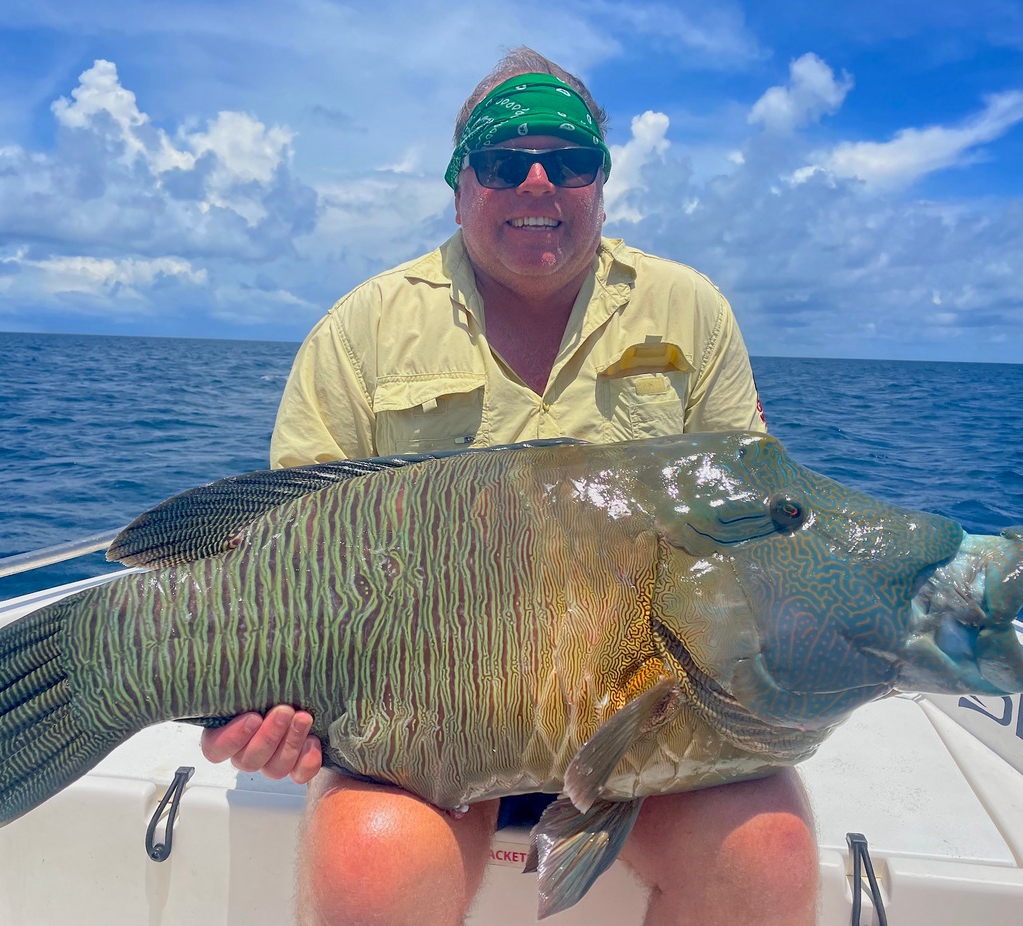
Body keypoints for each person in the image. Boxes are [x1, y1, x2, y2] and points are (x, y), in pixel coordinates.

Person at [201, 47, 818, 926]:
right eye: (503, 162)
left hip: (653, 725)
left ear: (600, 184)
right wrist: (260, 711)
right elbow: (288, 565)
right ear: (461, 185)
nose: (539, 182)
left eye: (571, 162)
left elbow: (760, 546)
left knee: (769, 852)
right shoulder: (362, 331)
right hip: (416, 725)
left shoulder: (693, 313)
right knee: (374, 867)